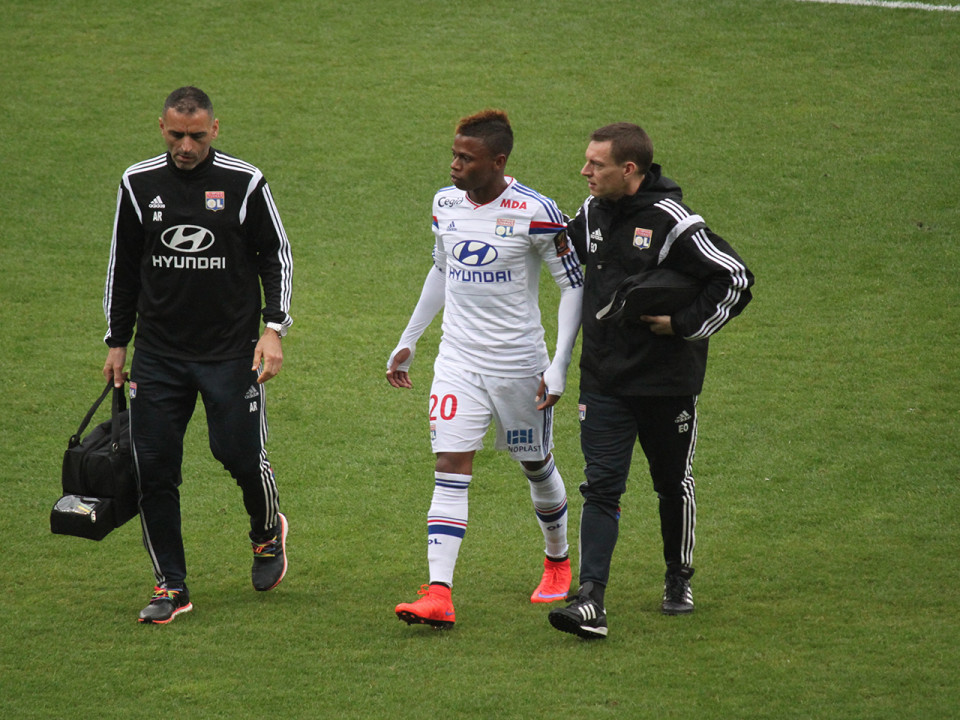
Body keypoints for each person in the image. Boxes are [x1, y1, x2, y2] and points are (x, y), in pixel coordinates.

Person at [548, 123, 754, 639]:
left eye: (596, 164)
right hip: (604, 382)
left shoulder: (673, 221)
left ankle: (677, 576)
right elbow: (557, 242)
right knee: (600, 487)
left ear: (629, 170)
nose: (585, 171)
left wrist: (682, 325)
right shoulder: (592, 212)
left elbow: (735, 276)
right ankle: (590, 599)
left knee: (671, 483)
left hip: (666, 385)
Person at [102, 86, 294, 624]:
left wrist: (273, 328)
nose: (186, 146)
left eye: (197, 135)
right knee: (153, 469)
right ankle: (171, 586)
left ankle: (265, 534)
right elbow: (124, 263)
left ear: (216, 129)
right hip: (158, 356)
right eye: (176, 134)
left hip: (231, 352)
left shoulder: (243, 182)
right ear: (161, 127)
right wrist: (118, 341)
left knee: (237, 454)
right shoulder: (138, 183)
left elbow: (275, 254)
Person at [386, 109, 584, 629]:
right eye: (453, 154)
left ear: (497, 161)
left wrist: (559, 364)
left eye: (465, 158)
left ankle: (558, 560)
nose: (453, 165)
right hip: (458, 361)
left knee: (535, 464)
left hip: (519, 365)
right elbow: (441, 267)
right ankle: (438, 592)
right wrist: (409, 341)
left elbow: (573, 285)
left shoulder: (537, 212)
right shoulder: (445, 204)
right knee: (450, 465)